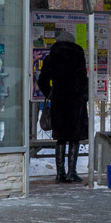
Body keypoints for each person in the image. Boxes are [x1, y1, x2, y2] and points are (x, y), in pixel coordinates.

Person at [37, 31, 89, 184]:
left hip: (59, 101)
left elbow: (42, 81)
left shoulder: (51, 57)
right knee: (74, 137)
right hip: (75, 102)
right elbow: (82, 79)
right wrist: (83, 96)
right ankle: (72, 172)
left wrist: (51, 93)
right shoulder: (78, 57)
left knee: (60, 138)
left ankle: (60, 174)